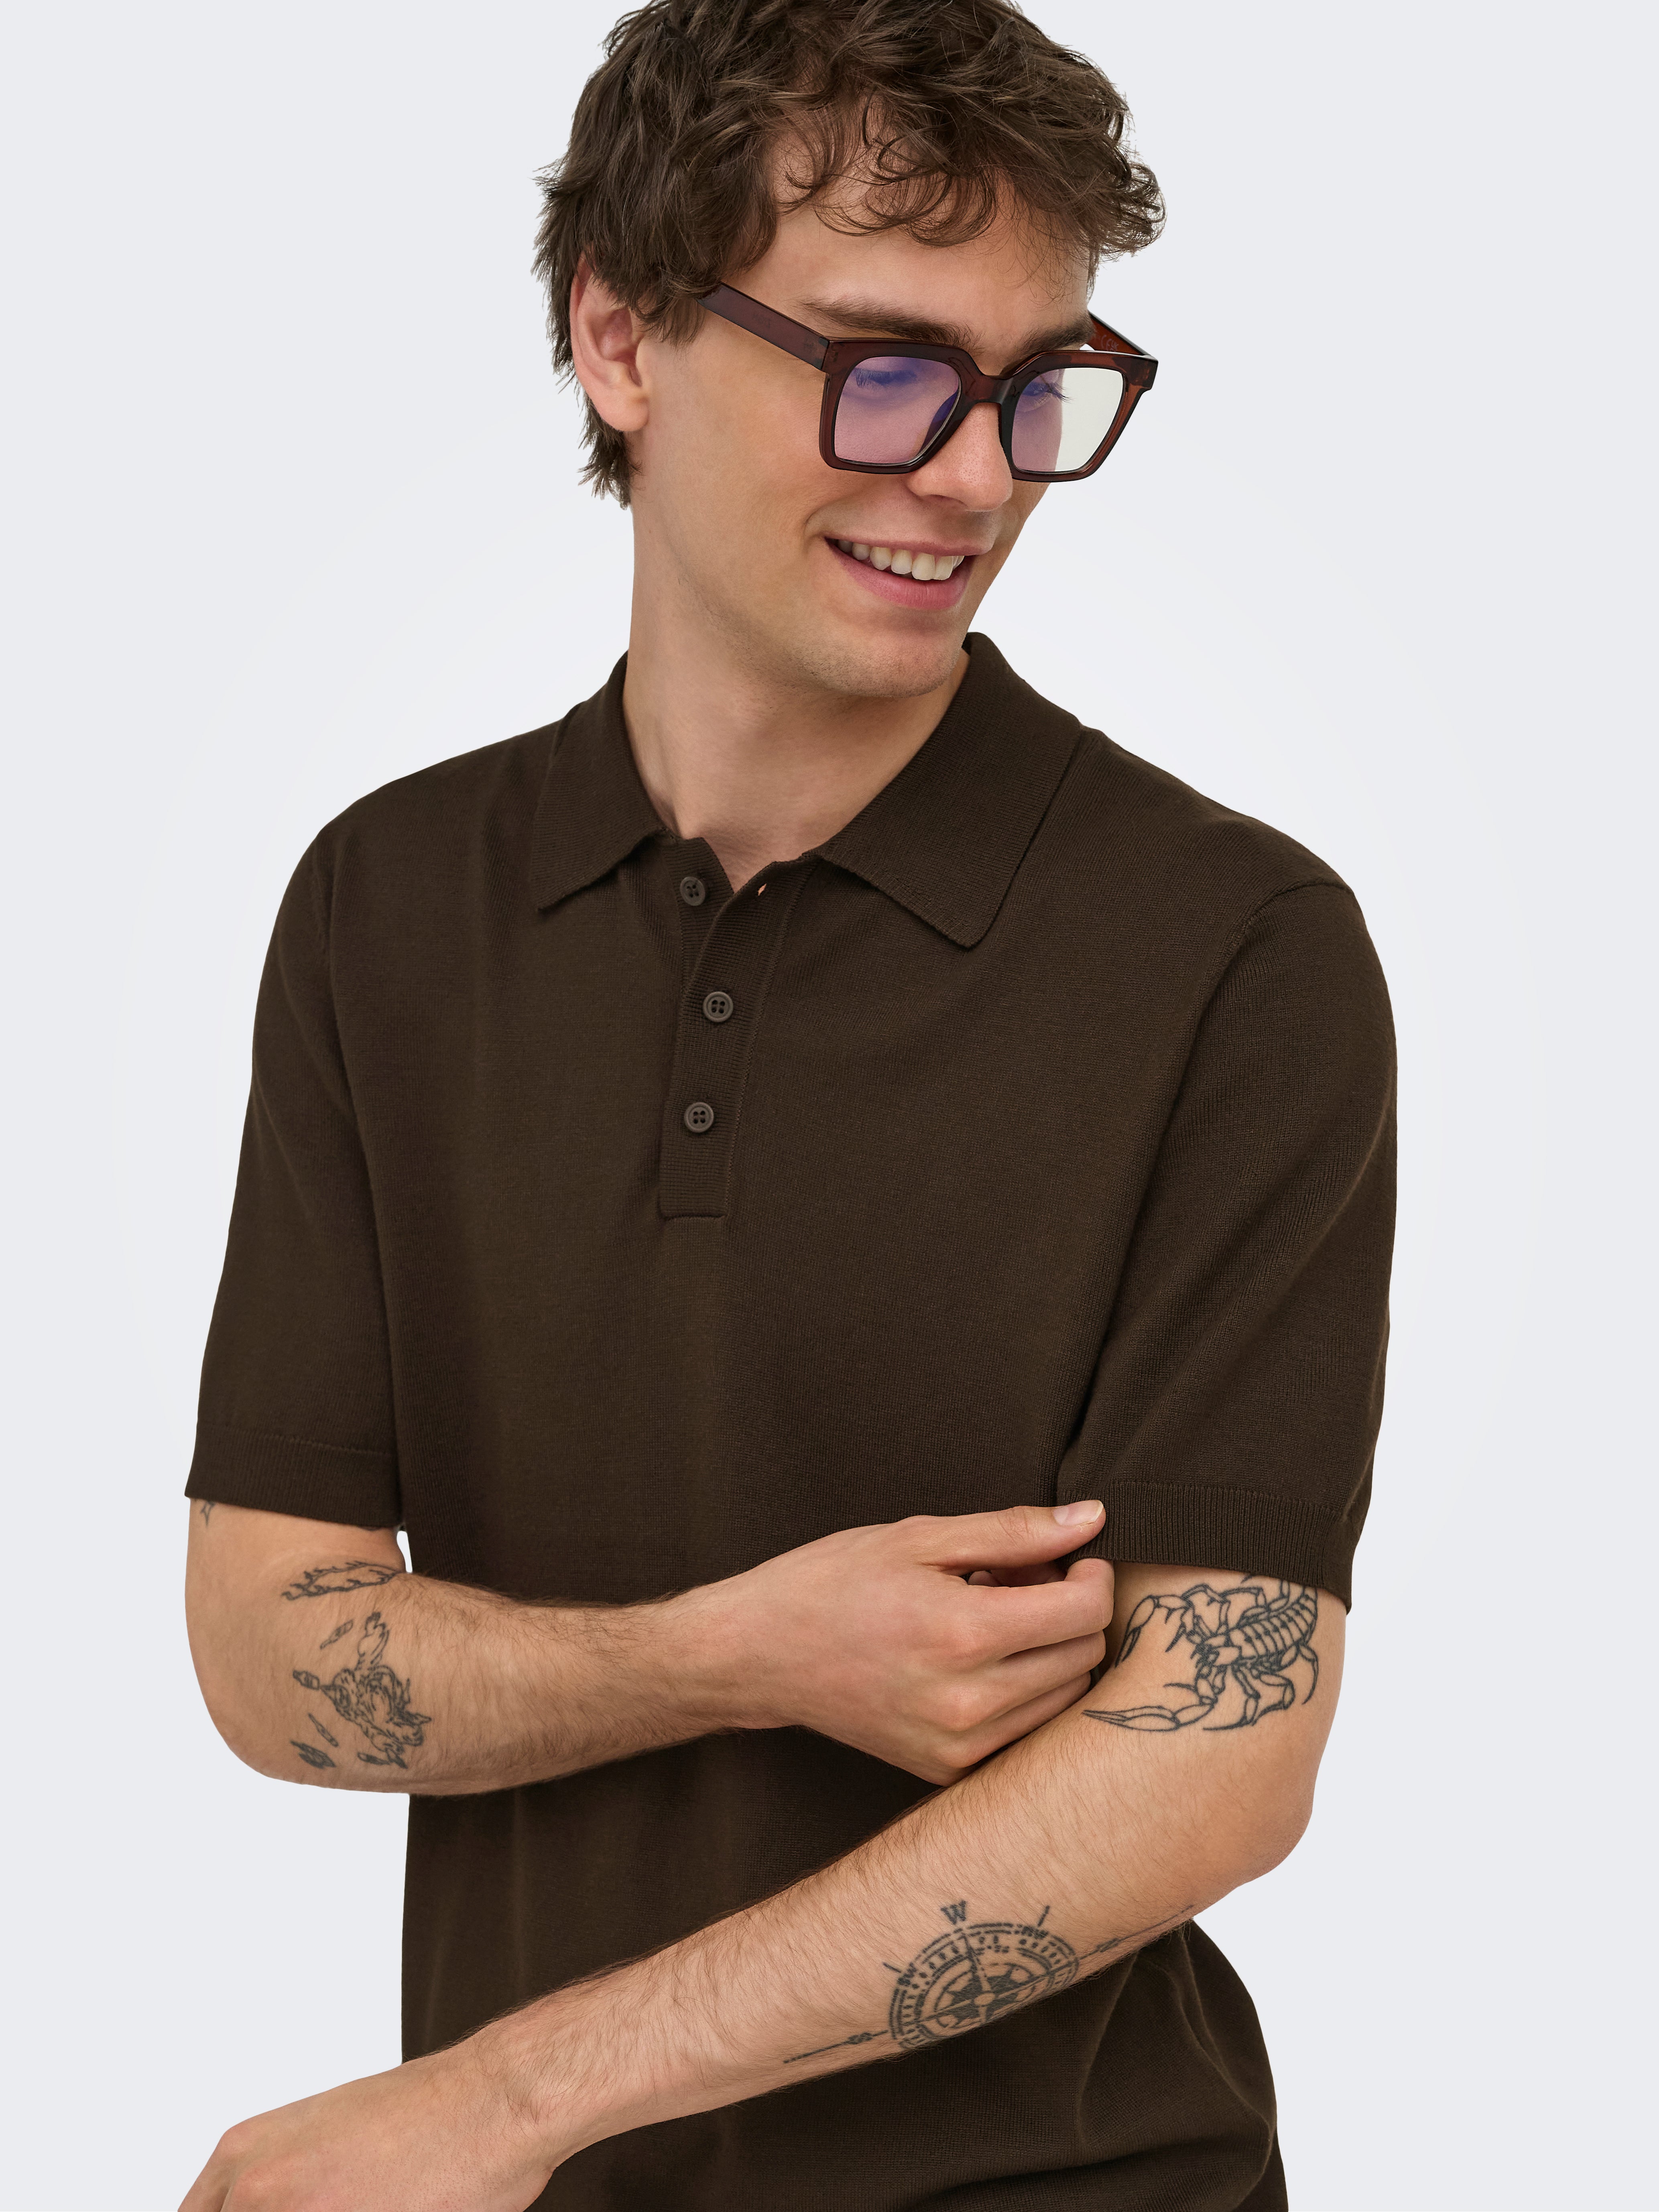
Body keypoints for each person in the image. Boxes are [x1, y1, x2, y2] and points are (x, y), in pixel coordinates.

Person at [180, 1, 1395, 2206]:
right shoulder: (386, 904)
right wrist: (737, 1656)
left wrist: (504, 2098)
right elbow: (269, 1649)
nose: (977, 473)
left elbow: (1219, 1746)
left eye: (1036, 385)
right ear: (620, 341)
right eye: (888, 367)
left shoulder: (1236, 950)